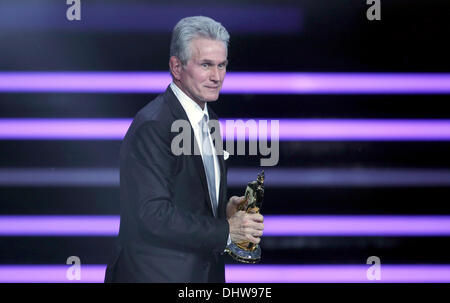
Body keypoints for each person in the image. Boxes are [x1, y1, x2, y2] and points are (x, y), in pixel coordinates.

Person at [104, 16, 264, 283]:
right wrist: (225, 230)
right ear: (176, 67)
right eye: (206, 65)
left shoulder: (209, 118)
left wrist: (222, 210)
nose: (216, 77)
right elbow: (152, 215)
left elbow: (185, 197)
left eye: (222, 65)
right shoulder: (153, 125)